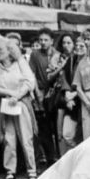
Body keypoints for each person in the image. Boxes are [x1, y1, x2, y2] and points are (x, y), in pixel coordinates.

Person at [0, 34, 38, 179]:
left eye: (0, 49)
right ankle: (10, 170)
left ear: (9, 49)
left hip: (21, 103)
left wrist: (18, 95)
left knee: (26, 137)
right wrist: (10, 93)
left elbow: (30, 82)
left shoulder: (20, 62)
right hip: (5, 105)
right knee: (9, 139)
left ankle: (31, 169)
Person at [29, 27, 59, 168]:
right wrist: (38, 92)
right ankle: (49, 158)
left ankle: (58, 156)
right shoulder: (35, 55)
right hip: (41, 93)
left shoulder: (57, 55)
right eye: (41, 40)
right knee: (44, 128)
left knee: (56, 127)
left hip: (55, 94)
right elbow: (32, 75)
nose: (43, 42)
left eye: (46, 40)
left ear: (52, 41)